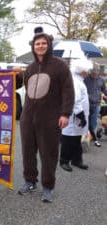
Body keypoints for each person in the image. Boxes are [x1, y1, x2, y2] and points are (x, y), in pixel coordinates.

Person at [17, 27, 75, 203]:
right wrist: (12, 75)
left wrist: (65, 114)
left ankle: (48, 186)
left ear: (49, 45)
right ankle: (30, 181)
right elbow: (15, 86)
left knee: (48, 154)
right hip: (27, 118)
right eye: (37, 44)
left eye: (44, 43)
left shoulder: (60, 66)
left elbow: (68, 91)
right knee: (27, 151)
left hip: (49, 118)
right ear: (33, 47)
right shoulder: (30, 68)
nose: (40, 46)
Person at [60, 60, 91, 172]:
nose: (88, 72)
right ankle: (64, 160)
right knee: (68, 139)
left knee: (77, 139)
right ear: (81, 70)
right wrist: (80, 114)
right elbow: (75, 99)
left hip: (78, 115)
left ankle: (76, 160)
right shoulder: (75, 81)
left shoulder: (79, 80)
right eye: (87, 70)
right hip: (74, 115)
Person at [84, 69, 107, 147]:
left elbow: (104, 89)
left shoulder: (101, 80)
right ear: (90, 73)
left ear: (98, 74)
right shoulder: (86, 79)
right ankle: (85, 133)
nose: (95, 76)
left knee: (94, 120)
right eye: (93, 74)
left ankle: (91, 135)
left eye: (96, 75)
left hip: (97, 103)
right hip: (87, 103)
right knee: (87, 119)